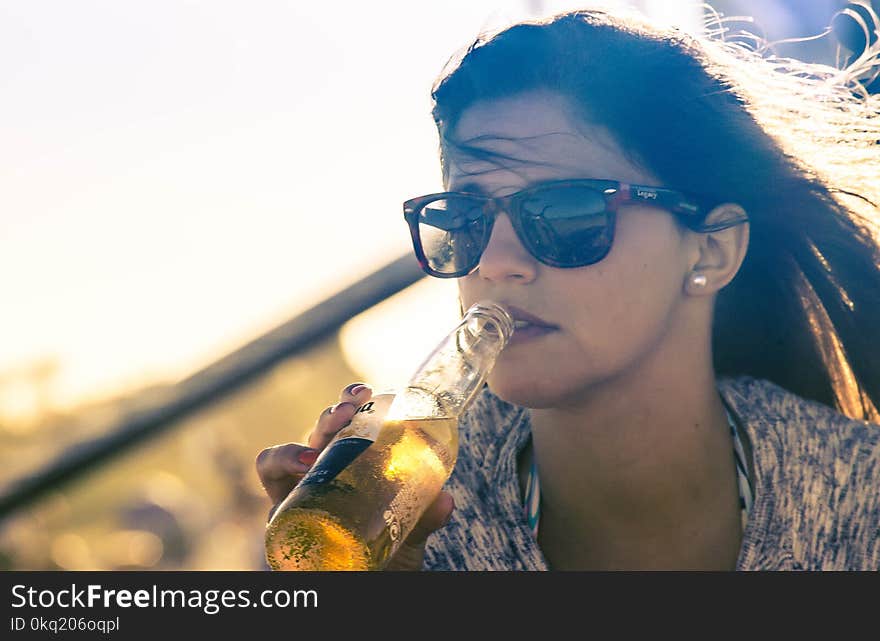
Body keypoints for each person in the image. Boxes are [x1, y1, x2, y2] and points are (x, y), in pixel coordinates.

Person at [256, 7, 880, 570]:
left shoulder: (860, 500)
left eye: (566, 214)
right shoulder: (400, 520)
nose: (496, 263)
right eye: (465, 220)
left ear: (712, 250)